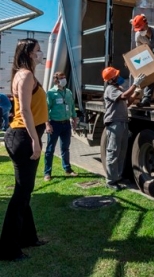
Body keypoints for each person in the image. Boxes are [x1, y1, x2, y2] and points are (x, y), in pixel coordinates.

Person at [0, 38, 48, 262]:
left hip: (21, 136)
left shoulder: (23, 73)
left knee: (25, 191)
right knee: (21, 194)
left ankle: (29, 237)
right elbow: (26, 111)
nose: (41, 54)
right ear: (29, 53)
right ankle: (8, 249)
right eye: (38, 51)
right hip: (23, 137)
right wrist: (35, 141)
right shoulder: (26, 75)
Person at [102, 66, 145, 190]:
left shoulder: (117, 88)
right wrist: (135, 85)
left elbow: (127, 102)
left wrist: (136, 92)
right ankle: (110, 181)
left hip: (123, 122)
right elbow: (124, 96)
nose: (119, 77)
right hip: (114, 123)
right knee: (113, 152)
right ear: (111, 79)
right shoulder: (110, 89)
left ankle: (118, 177)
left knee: (121, 152)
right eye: (116, 76)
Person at [43, 71, 78, 181]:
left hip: (66, 124)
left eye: (64, 77)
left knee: (65, 148)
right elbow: (46, 110)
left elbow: (72, 106)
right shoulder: (51, 93)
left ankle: (67, 169)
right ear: (56, 80)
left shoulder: (68, 92)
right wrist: (47, 124)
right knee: (50, 149)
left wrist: (74, 118)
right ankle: (47, 173)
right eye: (61, 78)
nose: (64, 79)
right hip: (54, 124)